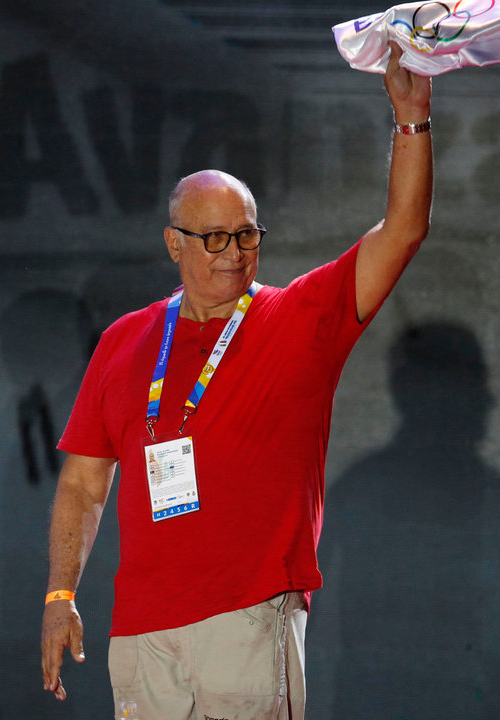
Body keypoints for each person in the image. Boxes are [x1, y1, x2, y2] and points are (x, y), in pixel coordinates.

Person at [40, 42, 432, 720]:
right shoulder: (126, 339)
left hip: (248, 614)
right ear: (175, 244)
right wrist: (60, 595)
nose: (234, 254)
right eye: (214, 238)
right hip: (142, 629)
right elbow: (82, 483)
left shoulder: (301, 316)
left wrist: (411, 118)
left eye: (247, 236)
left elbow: (402, 231)